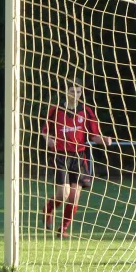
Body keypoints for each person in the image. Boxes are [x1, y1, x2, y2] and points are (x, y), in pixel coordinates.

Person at [42, 78, 112, 238]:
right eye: (73, 91)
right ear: (66, 92)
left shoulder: (86, 111)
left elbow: (94, 135)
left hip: (79, 157)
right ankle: (48, 209)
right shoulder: (55, 110)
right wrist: (48, 139)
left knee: (74, 197)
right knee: (63, 194)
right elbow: (45, 130)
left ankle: (63, 229)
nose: (76, 94)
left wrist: (104, 140)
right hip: (61, 156)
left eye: (79, 91)